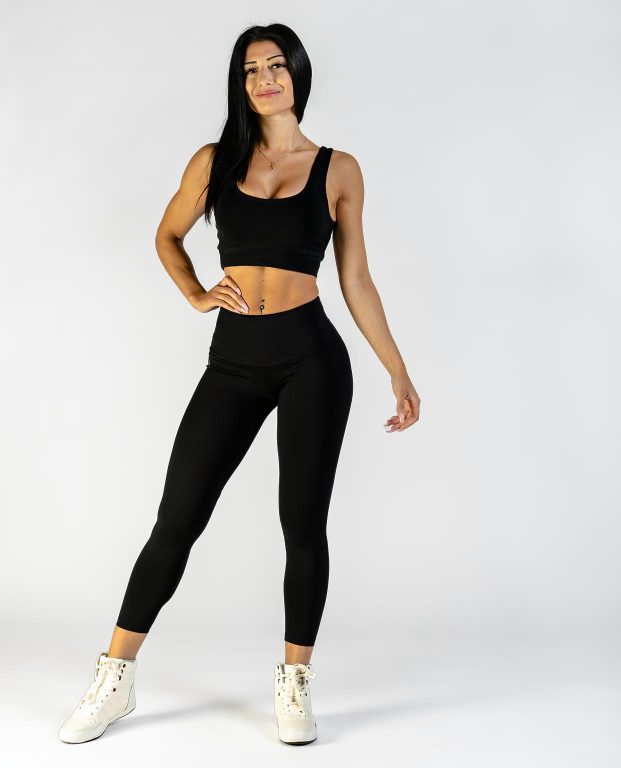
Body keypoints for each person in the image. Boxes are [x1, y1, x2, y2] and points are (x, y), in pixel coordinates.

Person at [59, 22, 420, 747]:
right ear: (241, 83)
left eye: (276, 65)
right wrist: (197, 293)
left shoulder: (338, 169)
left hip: (311, 358)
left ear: (298, 75)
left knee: (302, 525)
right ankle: (115, 677)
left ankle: (295, 681)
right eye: (252, 69)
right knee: (177, 519)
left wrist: (397, 369)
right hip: (233, 360)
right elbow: (167, 235)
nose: (265, 78)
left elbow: (355, 278)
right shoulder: (215, 160)